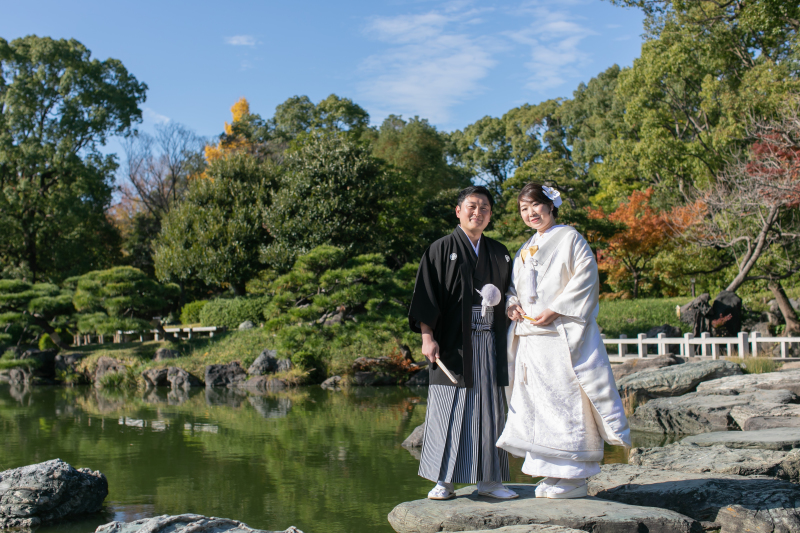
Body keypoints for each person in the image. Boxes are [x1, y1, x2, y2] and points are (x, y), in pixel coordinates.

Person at [496, 182, 630, 499]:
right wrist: (511, 304)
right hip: (531, 338)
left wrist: (556, 310)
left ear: (551, 206)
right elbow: (515, 287)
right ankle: (551, 471)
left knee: (566, 400)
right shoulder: (526, 246)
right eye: (523, 208)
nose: (530, 213)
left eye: (535, 206)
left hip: (560, 337)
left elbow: (586, 277)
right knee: (538, 405)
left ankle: (576, 475)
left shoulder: (570, 238)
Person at [408, 186, 518, 501]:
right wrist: (427, 337)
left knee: (491, 411)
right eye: (471, 206)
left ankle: (491, 480)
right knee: (447, 407)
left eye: (484, 208)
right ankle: (443, 481)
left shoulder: (499, 251)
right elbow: (427, 297)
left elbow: (512, 291)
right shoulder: (440, 249)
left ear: (490, 214)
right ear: (458, 211)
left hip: (490, 341)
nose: (478, 213)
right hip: (453, 343)